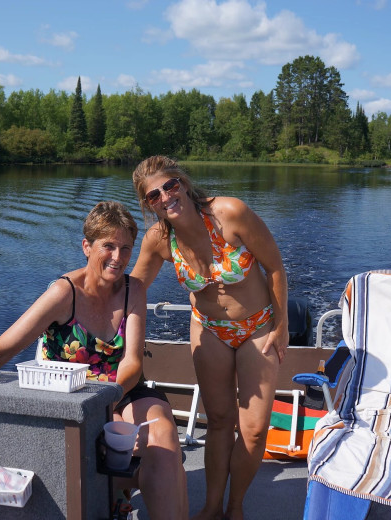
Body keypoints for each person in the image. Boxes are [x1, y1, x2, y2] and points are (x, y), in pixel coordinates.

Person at [0, 201, 187, 519]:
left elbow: (132, 363)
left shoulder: (133, 289)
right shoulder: (64, 293)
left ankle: (138, 495)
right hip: (67, 398)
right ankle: (118, 491)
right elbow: (4, 348)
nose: (118, 258)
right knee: (137, 454)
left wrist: (104, 405)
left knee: (162, 437)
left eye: (125, 248)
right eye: (108, 246)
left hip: (119, 391)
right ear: (87, 246)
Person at [130, 156, 289, 520]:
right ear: (148, 204)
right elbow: (133, 288)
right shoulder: (159, 239)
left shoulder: (230, 213)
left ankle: (235, 507)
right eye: (154, 195)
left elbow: (275, 266)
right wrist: (83, 286)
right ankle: (213, 508)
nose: (166, 196)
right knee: (219, 421)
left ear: (183, 183)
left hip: (258, 327)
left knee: (253, 430)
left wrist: (281, 327)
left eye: (170, 185)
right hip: (209, 330)